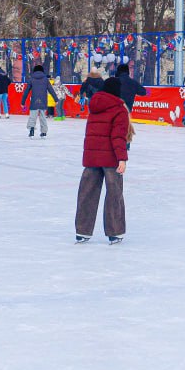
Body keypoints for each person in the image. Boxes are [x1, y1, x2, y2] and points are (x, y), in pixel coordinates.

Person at [74, 77, 131, 245]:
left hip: (92, 157)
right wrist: (122, 158)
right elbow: (118, 137)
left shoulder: (94, 106)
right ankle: (115, 232)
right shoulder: (119, 110)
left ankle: (82, 231)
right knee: (114, 194)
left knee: (86, 193)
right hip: (111, 158)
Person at [21, 64, 58, 138]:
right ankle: (44, 132)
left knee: (32, 116)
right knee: (43, 117)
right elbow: (51, 90)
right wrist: (56, 99)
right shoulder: (45, 79)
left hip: (34, 101)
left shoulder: (31, 79)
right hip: (43, 101)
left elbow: (26, 91)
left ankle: (31, 130)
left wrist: (23, 102)